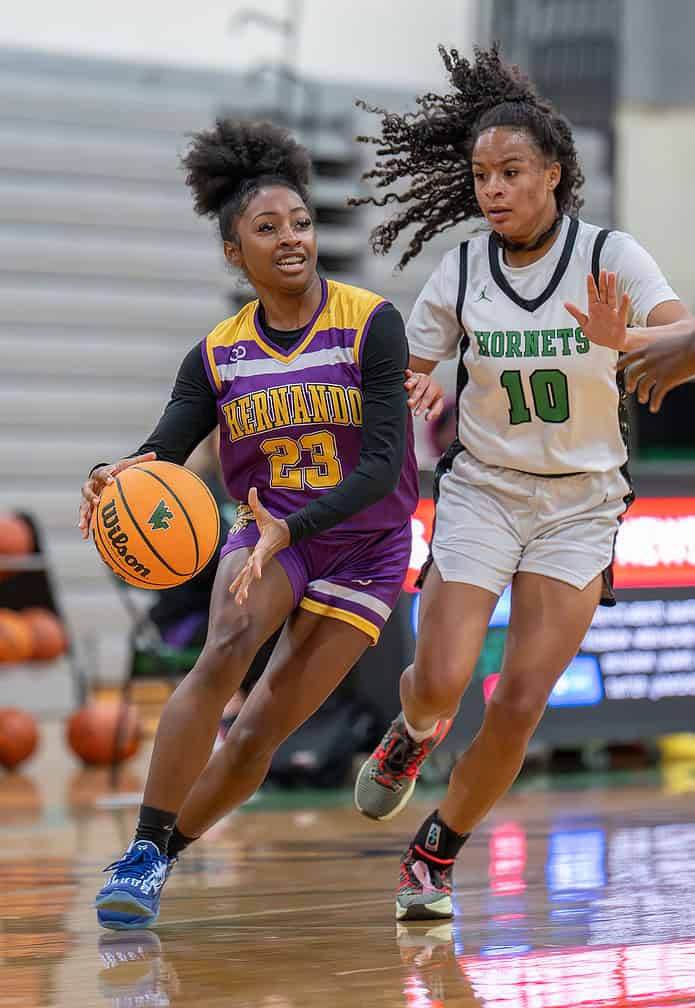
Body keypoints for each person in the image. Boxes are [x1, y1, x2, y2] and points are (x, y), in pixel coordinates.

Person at [350, 44, 694, 921]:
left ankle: (435, 852)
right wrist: (418, 383)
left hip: (580, 503)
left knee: (520, 699)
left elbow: (681, 336)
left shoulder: (613, 255)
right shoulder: (463, 270)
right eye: (480, 176)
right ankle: (414, 734)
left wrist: (631, 344)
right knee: (440, 678)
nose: (492, 190)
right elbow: (409, 370)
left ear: (552, 174)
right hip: (483, 490)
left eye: (510, 172)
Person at [78, 118, 418, 930]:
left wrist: (292, 535)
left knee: (260, 731)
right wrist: (116, 475)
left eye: (300, 223)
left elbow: (379, 469)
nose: (291, 238)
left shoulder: (371, 323)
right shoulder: (215, 356)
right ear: (236, 251)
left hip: (364, 541)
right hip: (266, 530)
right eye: (267, 228)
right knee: (225, 646)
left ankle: (170, 850)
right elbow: (163, 447)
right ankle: (143, 853)